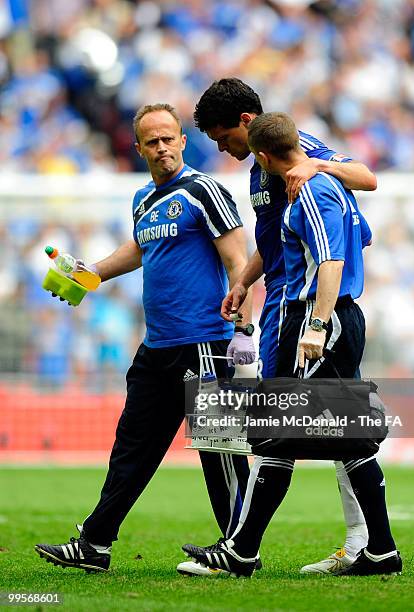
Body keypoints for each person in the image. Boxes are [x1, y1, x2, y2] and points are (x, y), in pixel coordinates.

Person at [34, 103, 257, 574]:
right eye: (151, 141)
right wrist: (89, 272)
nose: (161, 148)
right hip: (157, 347)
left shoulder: (204, 190)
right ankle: (94, 544)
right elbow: (139, 248)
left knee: (218, 453)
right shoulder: (144, 199)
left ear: (181, 140)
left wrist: (243, 335)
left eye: (168, 138)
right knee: (131, 447)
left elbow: (239, 261)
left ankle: (239, 549)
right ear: (138, 148)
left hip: (205, 343)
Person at [183, 112, 402, 577]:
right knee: (336, 436)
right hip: (329, 316)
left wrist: (318, 324)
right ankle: (379, 549)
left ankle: (242, 552)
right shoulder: (323, 185)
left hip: (318, 318)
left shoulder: (312, 191)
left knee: (284, 431)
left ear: (263, 155)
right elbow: (363, 234)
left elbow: (331, 260)